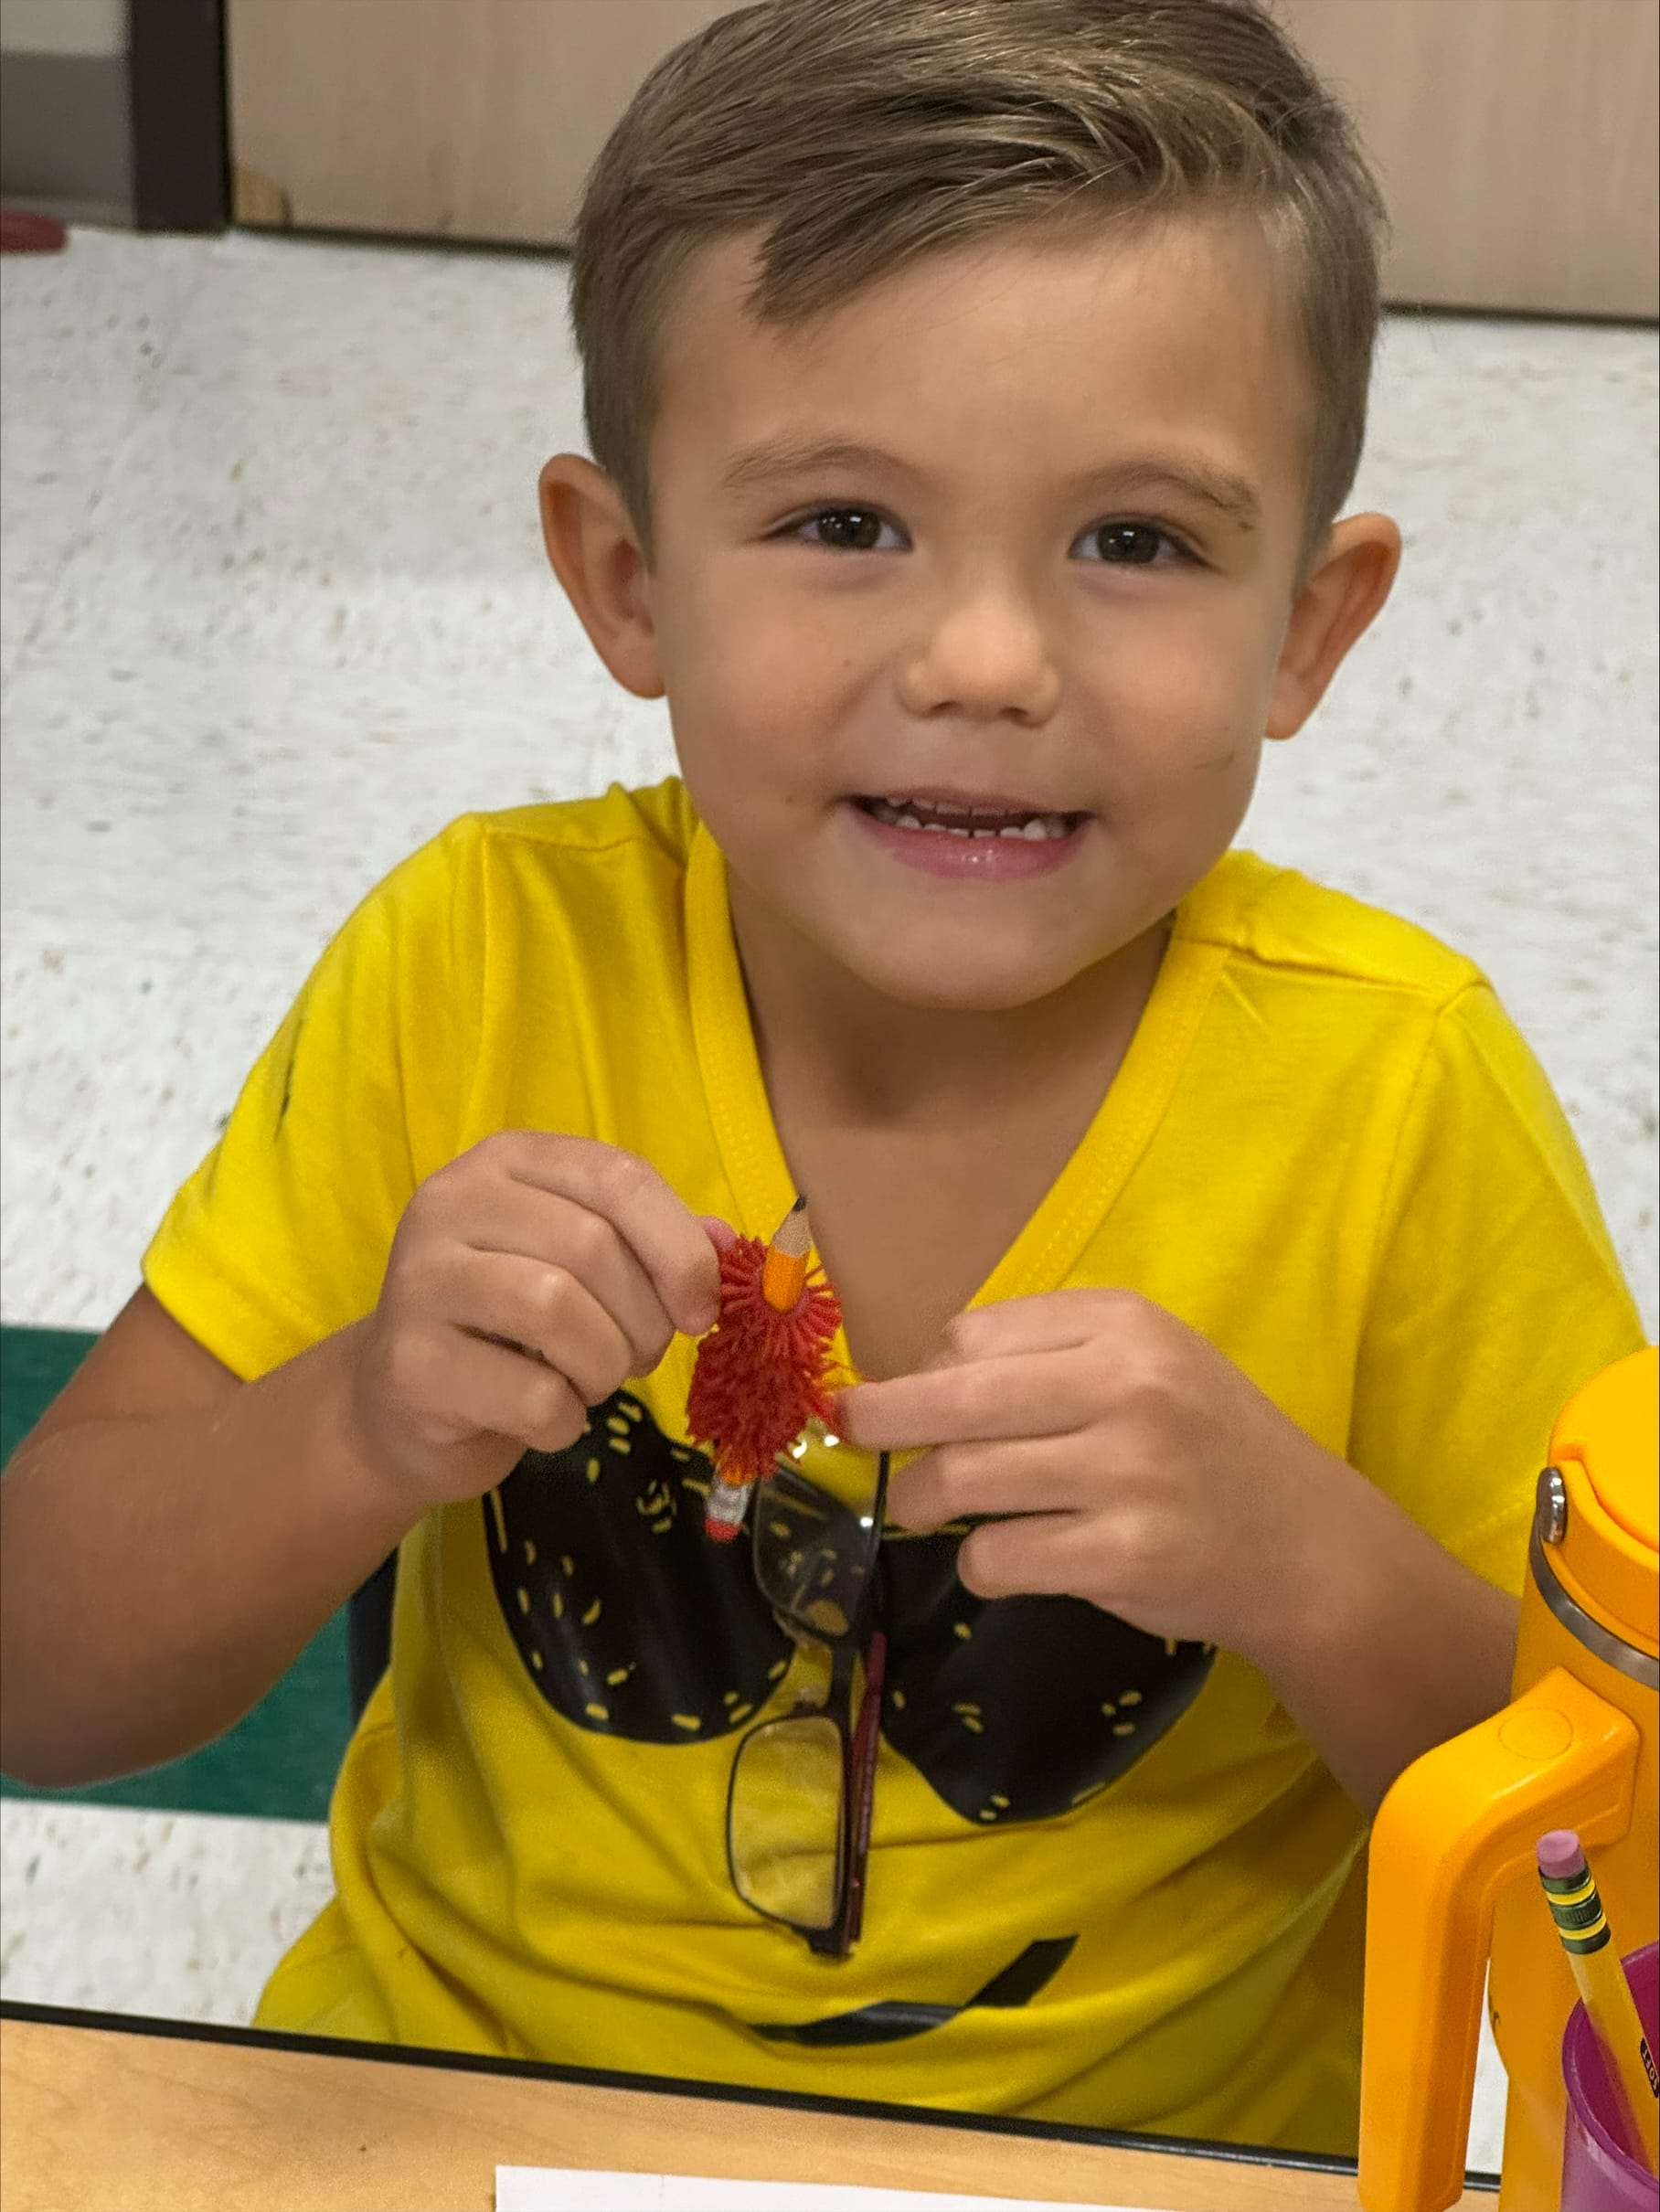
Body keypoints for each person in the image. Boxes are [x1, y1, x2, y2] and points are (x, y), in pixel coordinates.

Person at [0, 0, 1643, 2158]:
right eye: (845, 520)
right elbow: (43, 1671)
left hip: (1145, 2161)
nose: (983, 661)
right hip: (449, 2098)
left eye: (1135, 541)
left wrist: (1303, 1564)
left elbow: (1610, 1884)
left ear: (1304, 628)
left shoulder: (1393, 1092)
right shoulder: (475, 962)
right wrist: (353, 1418)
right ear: (626, 579)